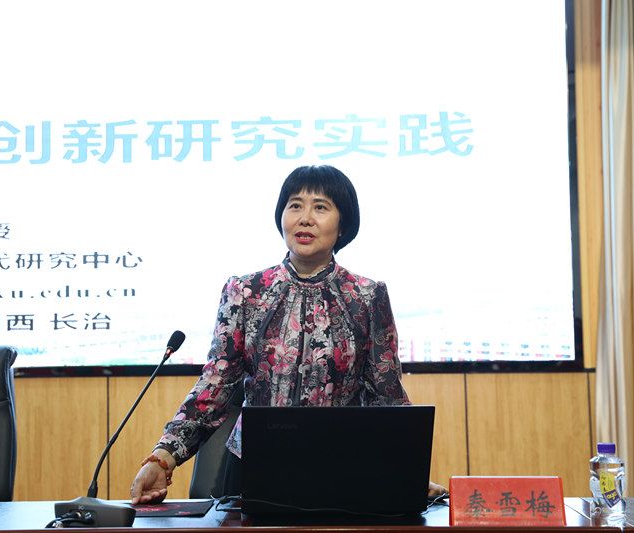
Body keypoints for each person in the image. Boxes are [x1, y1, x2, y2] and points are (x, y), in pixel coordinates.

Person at [130, 165, 447, 504]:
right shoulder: (246, 292)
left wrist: (408, 471)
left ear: (343, 224)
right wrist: (163, 456)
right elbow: (216, 385)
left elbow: (387, 395)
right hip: (254, 466)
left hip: (341, 466)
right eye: (295, 205)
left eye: (320, 207)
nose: (305, 219)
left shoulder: (366, 296)